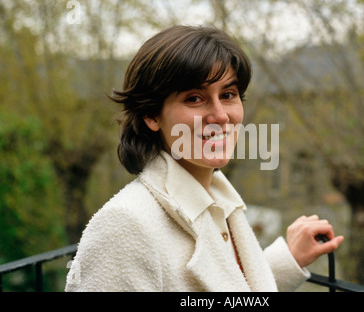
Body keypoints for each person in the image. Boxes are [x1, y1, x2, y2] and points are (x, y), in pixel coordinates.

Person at [65, 25, 344, 292]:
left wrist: (287, 261)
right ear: (151, 114)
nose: (220, 115)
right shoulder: (124, 226)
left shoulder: (218, 201)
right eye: (195, 98)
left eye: (228, 94)